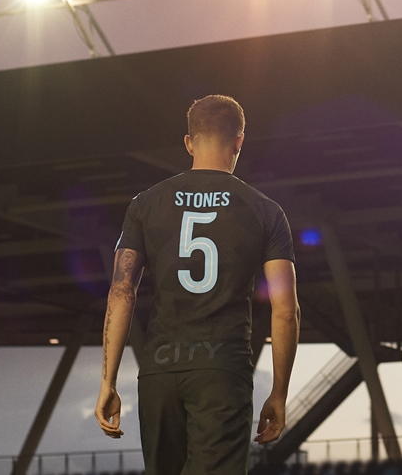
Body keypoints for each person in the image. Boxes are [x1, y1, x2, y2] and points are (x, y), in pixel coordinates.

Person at [94, 95, 301, 475]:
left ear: (189, 143)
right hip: (222, 371)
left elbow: (121, 293)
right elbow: (286, 311)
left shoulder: (145, 204)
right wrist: (279, 393)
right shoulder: (266, 211)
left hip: (159, 372)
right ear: (239, 141)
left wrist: (108, 380)